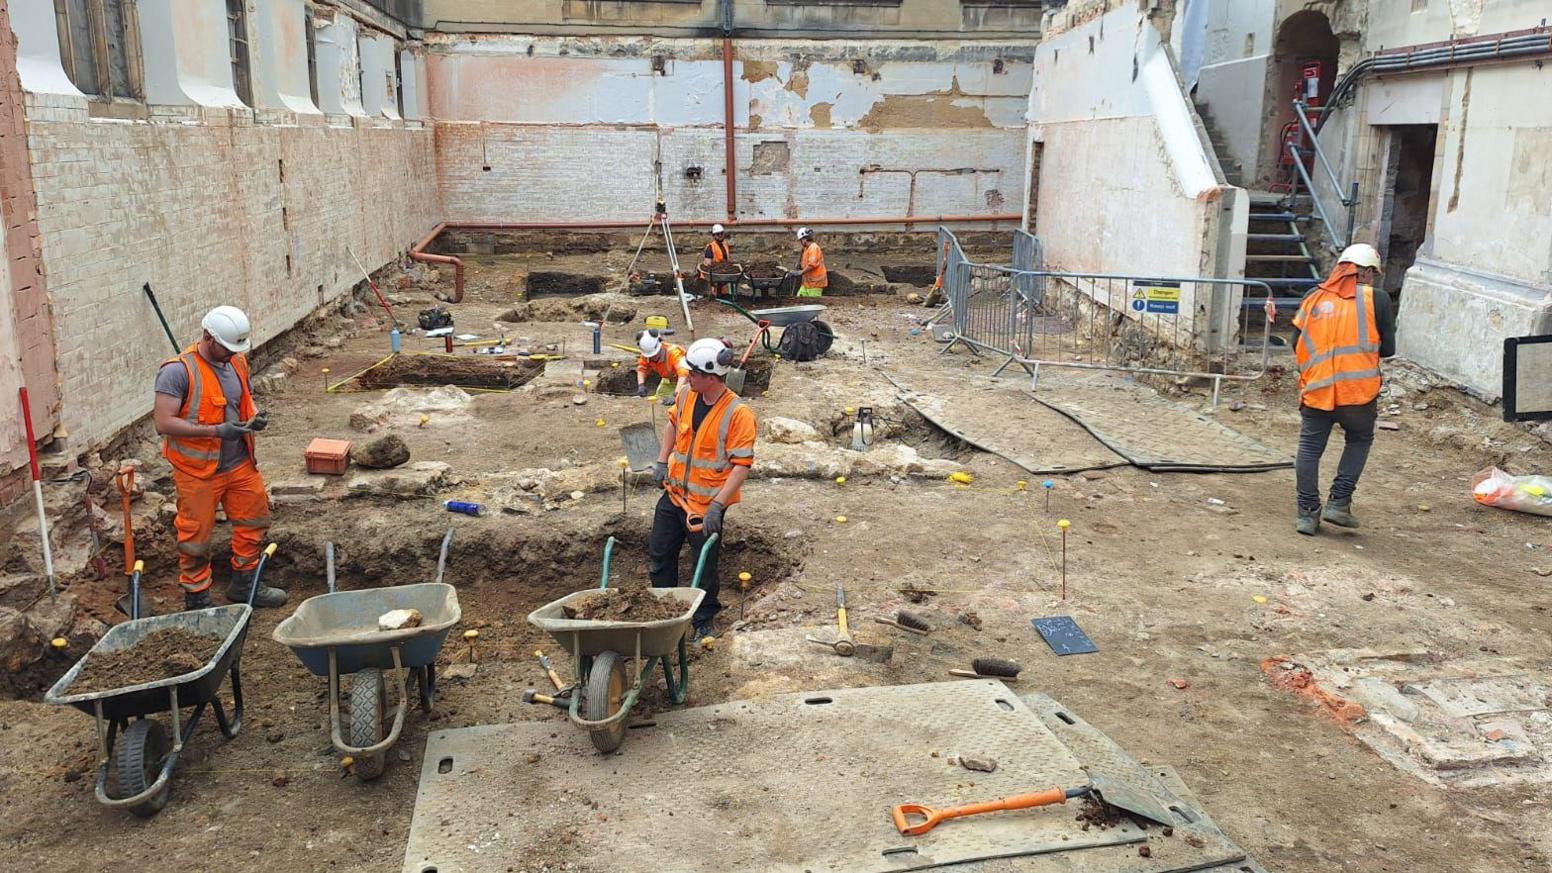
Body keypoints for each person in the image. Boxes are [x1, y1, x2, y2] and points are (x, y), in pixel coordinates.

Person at [153, 306, 287, 610]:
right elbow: (163, 422)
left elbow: (242, 402)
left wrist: (253, 418)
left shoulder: (237, 362)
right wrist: (217, 431)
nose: (231, 355)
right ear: (208, 337)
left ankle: (245, 582)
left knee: (254, 521)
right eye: (226, 348)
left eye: (235, 349)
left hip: (239, 462)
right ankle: (197, 598)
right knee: (195, 538)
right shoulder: (177, 371)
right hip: (197, 471)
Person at [648, 338, 757, 642]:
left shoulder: (738, 414)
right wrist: (660, 461)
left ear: (712, 376)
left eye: (694, 372)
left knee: (704, 568)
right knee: (659, 557)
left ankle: (703, 620)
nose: (687, 375)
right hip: (674, 495)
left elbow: (741, 465)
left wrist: (718, 506)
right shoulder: (686, 395)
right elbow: (673, 424)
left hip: (704, 506)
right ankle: (663, 615)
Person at [1290, 243, 1396, 535]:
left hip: (1318, 388)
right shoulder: (1378, 300)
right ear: (1365, 273)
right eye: (1372, 274)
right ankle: (1339, 503)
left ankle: (1307, 513)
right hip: (1358, 393)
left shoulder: (1313, 297)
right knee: (1359, 440)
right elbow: (1388, 349)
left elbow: (1294, 341)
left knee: (1310, 448)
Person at [635, 329, 690, 404]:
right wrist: (641, 385)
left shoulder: (673, 353)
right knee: (659, 400)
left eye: (654, 355)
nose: (652, 358)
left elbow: (684, 375)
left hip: (688, 381)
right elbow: (642, 368)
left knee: (685, 402)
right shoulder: (646, 353)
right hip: (669, 381)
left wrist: (676, 394)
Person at [699, 223, 734, 298]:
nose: (720, 235)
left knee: (723, 293)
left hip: (722, 274)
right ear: (714, 235)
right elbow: (708, 264)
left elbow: (727, 258)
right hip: (713, 276)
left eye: (721, 233)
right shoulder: (711, 247)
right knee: (714, 295)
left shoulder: (725, 244)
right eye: (718, 234)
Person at [790, 227, 827, 298]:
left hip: (815, 284)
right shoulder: (806, 248)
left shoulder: (814, 248)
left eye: (800, 240)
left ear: (804, 239)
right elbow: (806, 262)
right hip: (806, 283)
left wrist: (800, 272)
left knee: (813, 304)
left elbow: (812, 265)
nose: (800, 242)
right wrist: (800, 265)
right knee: (799, 300)